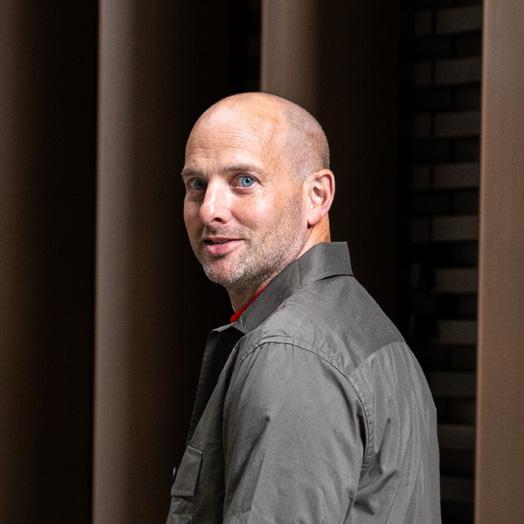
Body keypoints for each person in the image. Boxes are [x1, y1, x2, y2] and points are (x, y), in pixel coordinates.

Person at [167, 92, 441, 523]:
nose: (210, 210)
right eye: (197, 185)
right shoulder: (358, 325)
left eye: (244, 181)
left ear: (317, 195)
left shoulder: (291, 352)